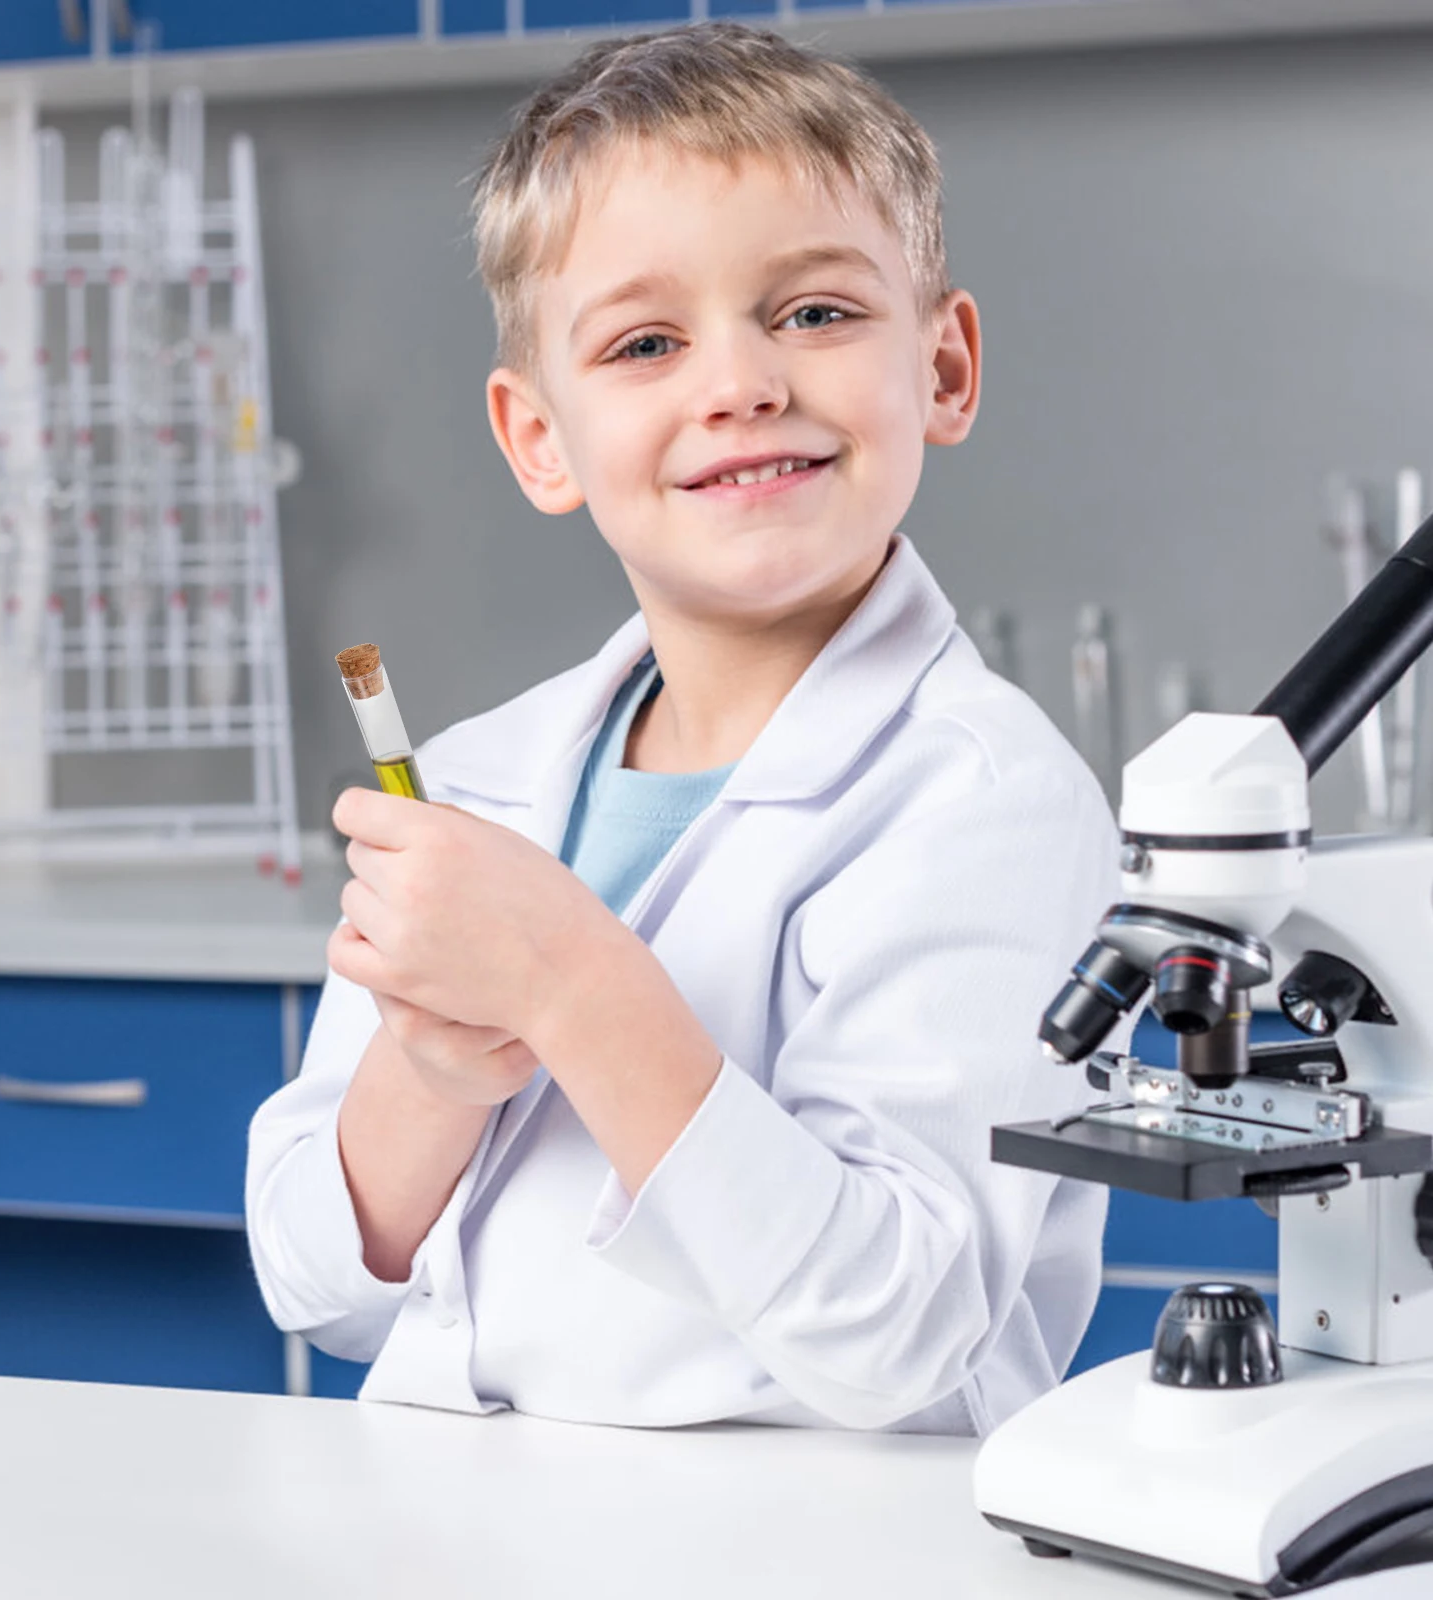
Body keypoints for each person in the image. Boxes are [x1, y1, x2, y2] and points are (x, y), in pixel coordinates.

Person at [246, 21, 1118, 1433]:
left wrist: (575, 988)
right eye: (646, 342)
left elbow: (898, 1334)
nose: (740, 385)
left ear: (944, 368)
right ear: (541, 440)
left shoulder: (990, 801)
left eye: (816, 313)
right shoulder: (477, 782)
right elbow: (318, 1287)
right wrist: (431, 1070)